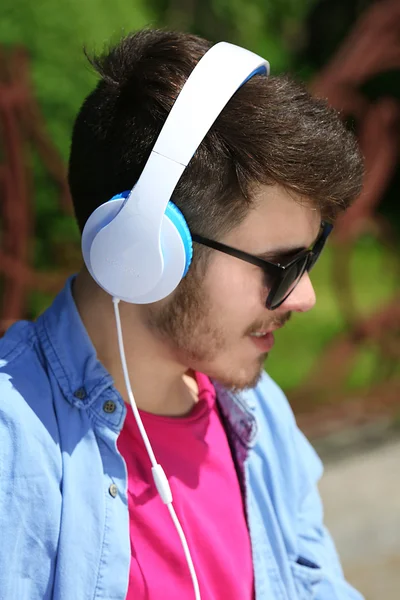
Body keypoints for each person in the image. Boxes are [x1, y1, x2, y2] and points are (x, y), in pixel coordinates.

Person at [0, 28, 365, 600]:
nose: (304, 297)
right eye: (280, 265)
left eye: (310, 256)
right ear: (144, 249)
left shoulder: (258, 412)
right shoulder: (14, 445)